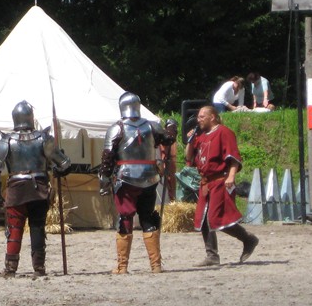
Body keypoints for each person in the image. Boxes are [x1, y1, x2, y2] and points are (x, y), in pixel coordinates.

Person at [0, 101, 71, 277]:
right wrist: (57, 169)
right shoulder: (43, 139)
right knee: (37, 227)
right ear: (31, 118)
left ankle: (10, 268)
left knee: (14, 228)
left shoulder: (7, 141)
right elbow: (64, 164)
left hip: (16, 189)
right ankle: (39, 267)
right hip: (38, 189)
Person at [99, 93, 178, 274]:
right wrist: (172, 126)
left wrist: (104, 180)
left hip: (126, 179)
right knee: (148, 217)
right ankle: (155, 265)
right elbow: (168, 138)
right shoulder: (151, 126)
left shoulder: (117, 128)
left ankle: (122, 267)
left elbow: (108, 157)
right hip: (150, 177)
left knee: (125, 217)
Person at [185, 105, 259, 266]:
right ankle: (212, 255)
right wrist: (190, 141)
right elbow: (189, 157)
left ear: (212, 117)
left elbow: (233, 157)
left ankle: (248, 239)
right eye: (198, 117)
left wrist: (231, 176)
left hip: (220, 181)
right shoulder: (201, 136)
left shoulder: (224, 132)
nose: (198, 120)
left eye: (202, 117)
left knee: (216, 218)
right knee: (203, 219)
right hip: (206, 183)